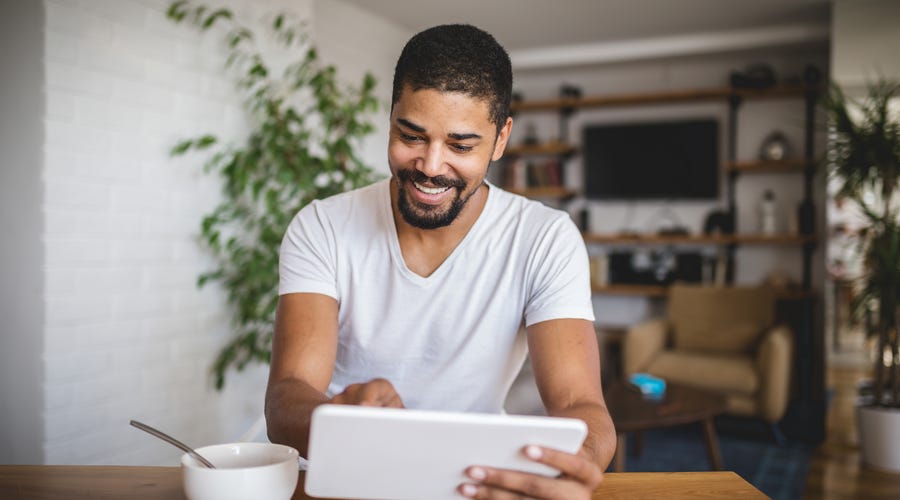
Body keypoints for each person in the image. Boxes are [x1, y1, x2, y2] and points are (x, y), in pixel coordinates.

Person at [265, 23, 615, 498]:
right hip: (347, 477)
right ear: (391, 118)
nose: (430, 166)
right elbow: (286, 396)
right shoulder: (322, 226)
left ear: (501, 139)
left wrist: (572, 465)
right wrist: (340, 419)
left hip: (478, 484)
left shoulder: (544, 239)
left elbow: (581, 406)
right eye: (411, 136)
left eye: (460, 146)